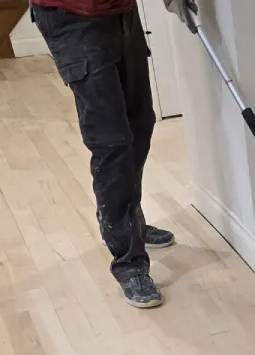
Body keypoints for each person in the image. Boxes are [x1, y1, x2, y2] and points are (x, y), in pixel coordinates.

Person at [31, 0, 199, 308]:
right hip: (73, 18)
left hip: (122, 13)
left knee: (140, 123)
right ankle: (129, 261)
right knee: (111, 141)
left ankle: (129, 223)